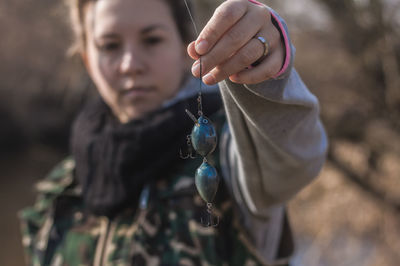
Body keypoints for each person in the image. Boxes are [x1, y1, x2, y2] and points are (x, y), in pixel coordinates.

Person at [19, 0, 328, 265]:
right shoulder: (58, 190)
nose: (130, 65)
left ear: (187, 49)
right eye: (110, 45)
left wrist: (264, 69)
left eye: (152, 40)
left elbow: (296, 159)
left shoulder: (236, 152)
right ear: (87, 59)